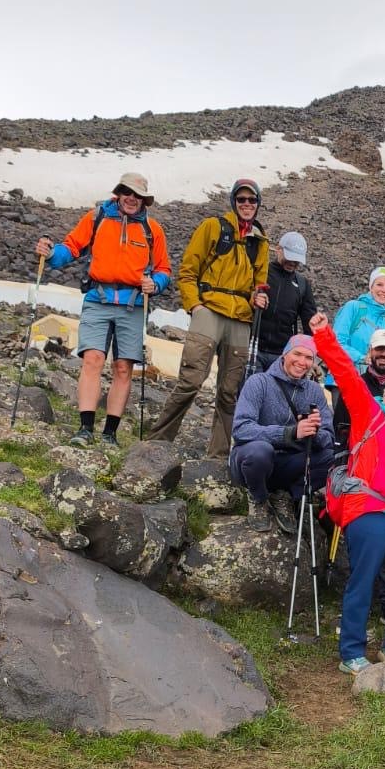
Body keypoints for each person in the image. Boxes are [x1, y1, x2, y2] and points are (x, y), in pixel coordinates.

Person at [309, 312, 385, 674]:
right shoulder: (370, 415)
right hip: (371, 509)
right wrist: (323, 335)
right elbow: (345, 374)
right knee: (363, 578)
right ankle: (351, 652)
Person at [35, 173, 171, 447]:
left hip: (132, 305)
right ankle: (85, 428)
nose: (132, 199)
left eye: (138, 195)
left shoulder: (152, 230)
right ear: (118, 193)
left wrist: (154, 283)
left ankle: (110, 433)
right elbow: (71, 248)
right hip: (97, 299)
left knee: (123, 368)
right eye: (127, 193)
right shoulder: (96, 218)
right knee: (92, 359)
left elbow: (164, 270)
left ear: (144, 200)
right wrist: (50, 254)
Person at [147, 179, 269, 456]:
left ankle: (219, 455)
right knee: (191, 380)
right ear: (233, 202)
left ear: (258, 204)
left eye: (252, 200)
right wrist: (195, 306)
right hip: (209, 310)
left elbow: (259, 283)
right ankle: (158, 442)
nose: (247, 205)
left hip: (240, 318)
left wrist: (258, 297)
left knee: (229, 392)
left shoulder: (260, 240)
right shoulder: (213, 227)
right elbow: (188, 270)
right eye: (242, 200)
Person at [228, 333, 335, 532]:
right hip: (251, 462)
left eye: (309, 358)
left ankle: (284, 495)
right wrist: (291, 433)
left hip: (287, 464)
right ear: (285, 354)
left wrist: (314, 431)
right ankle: (258, 498)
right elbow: (241, 429)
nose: (302, 362)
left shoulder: (314, 391)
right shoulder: (258, 382)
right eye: (298, 354)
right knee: (260, 451)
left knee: (331, 459)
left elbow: (328, 439)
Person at [256, 232, 316, 370]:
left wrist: (309, 353)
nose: (292, 263)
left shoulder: (302, 284)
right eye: (289, 257)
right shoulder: (260, 273)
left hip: (282, 354)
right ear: (278, 249)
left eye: (297, 260)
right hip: (253, 348)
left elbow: (310, 323)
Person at [333, 266, 385, 369]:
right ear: (371, 287)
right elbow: (336, 343)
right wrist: (362, 358)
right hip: (341, 378)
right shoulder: (354, 307)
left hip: (368, 382)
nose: (384, 290)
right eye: (379, 284)